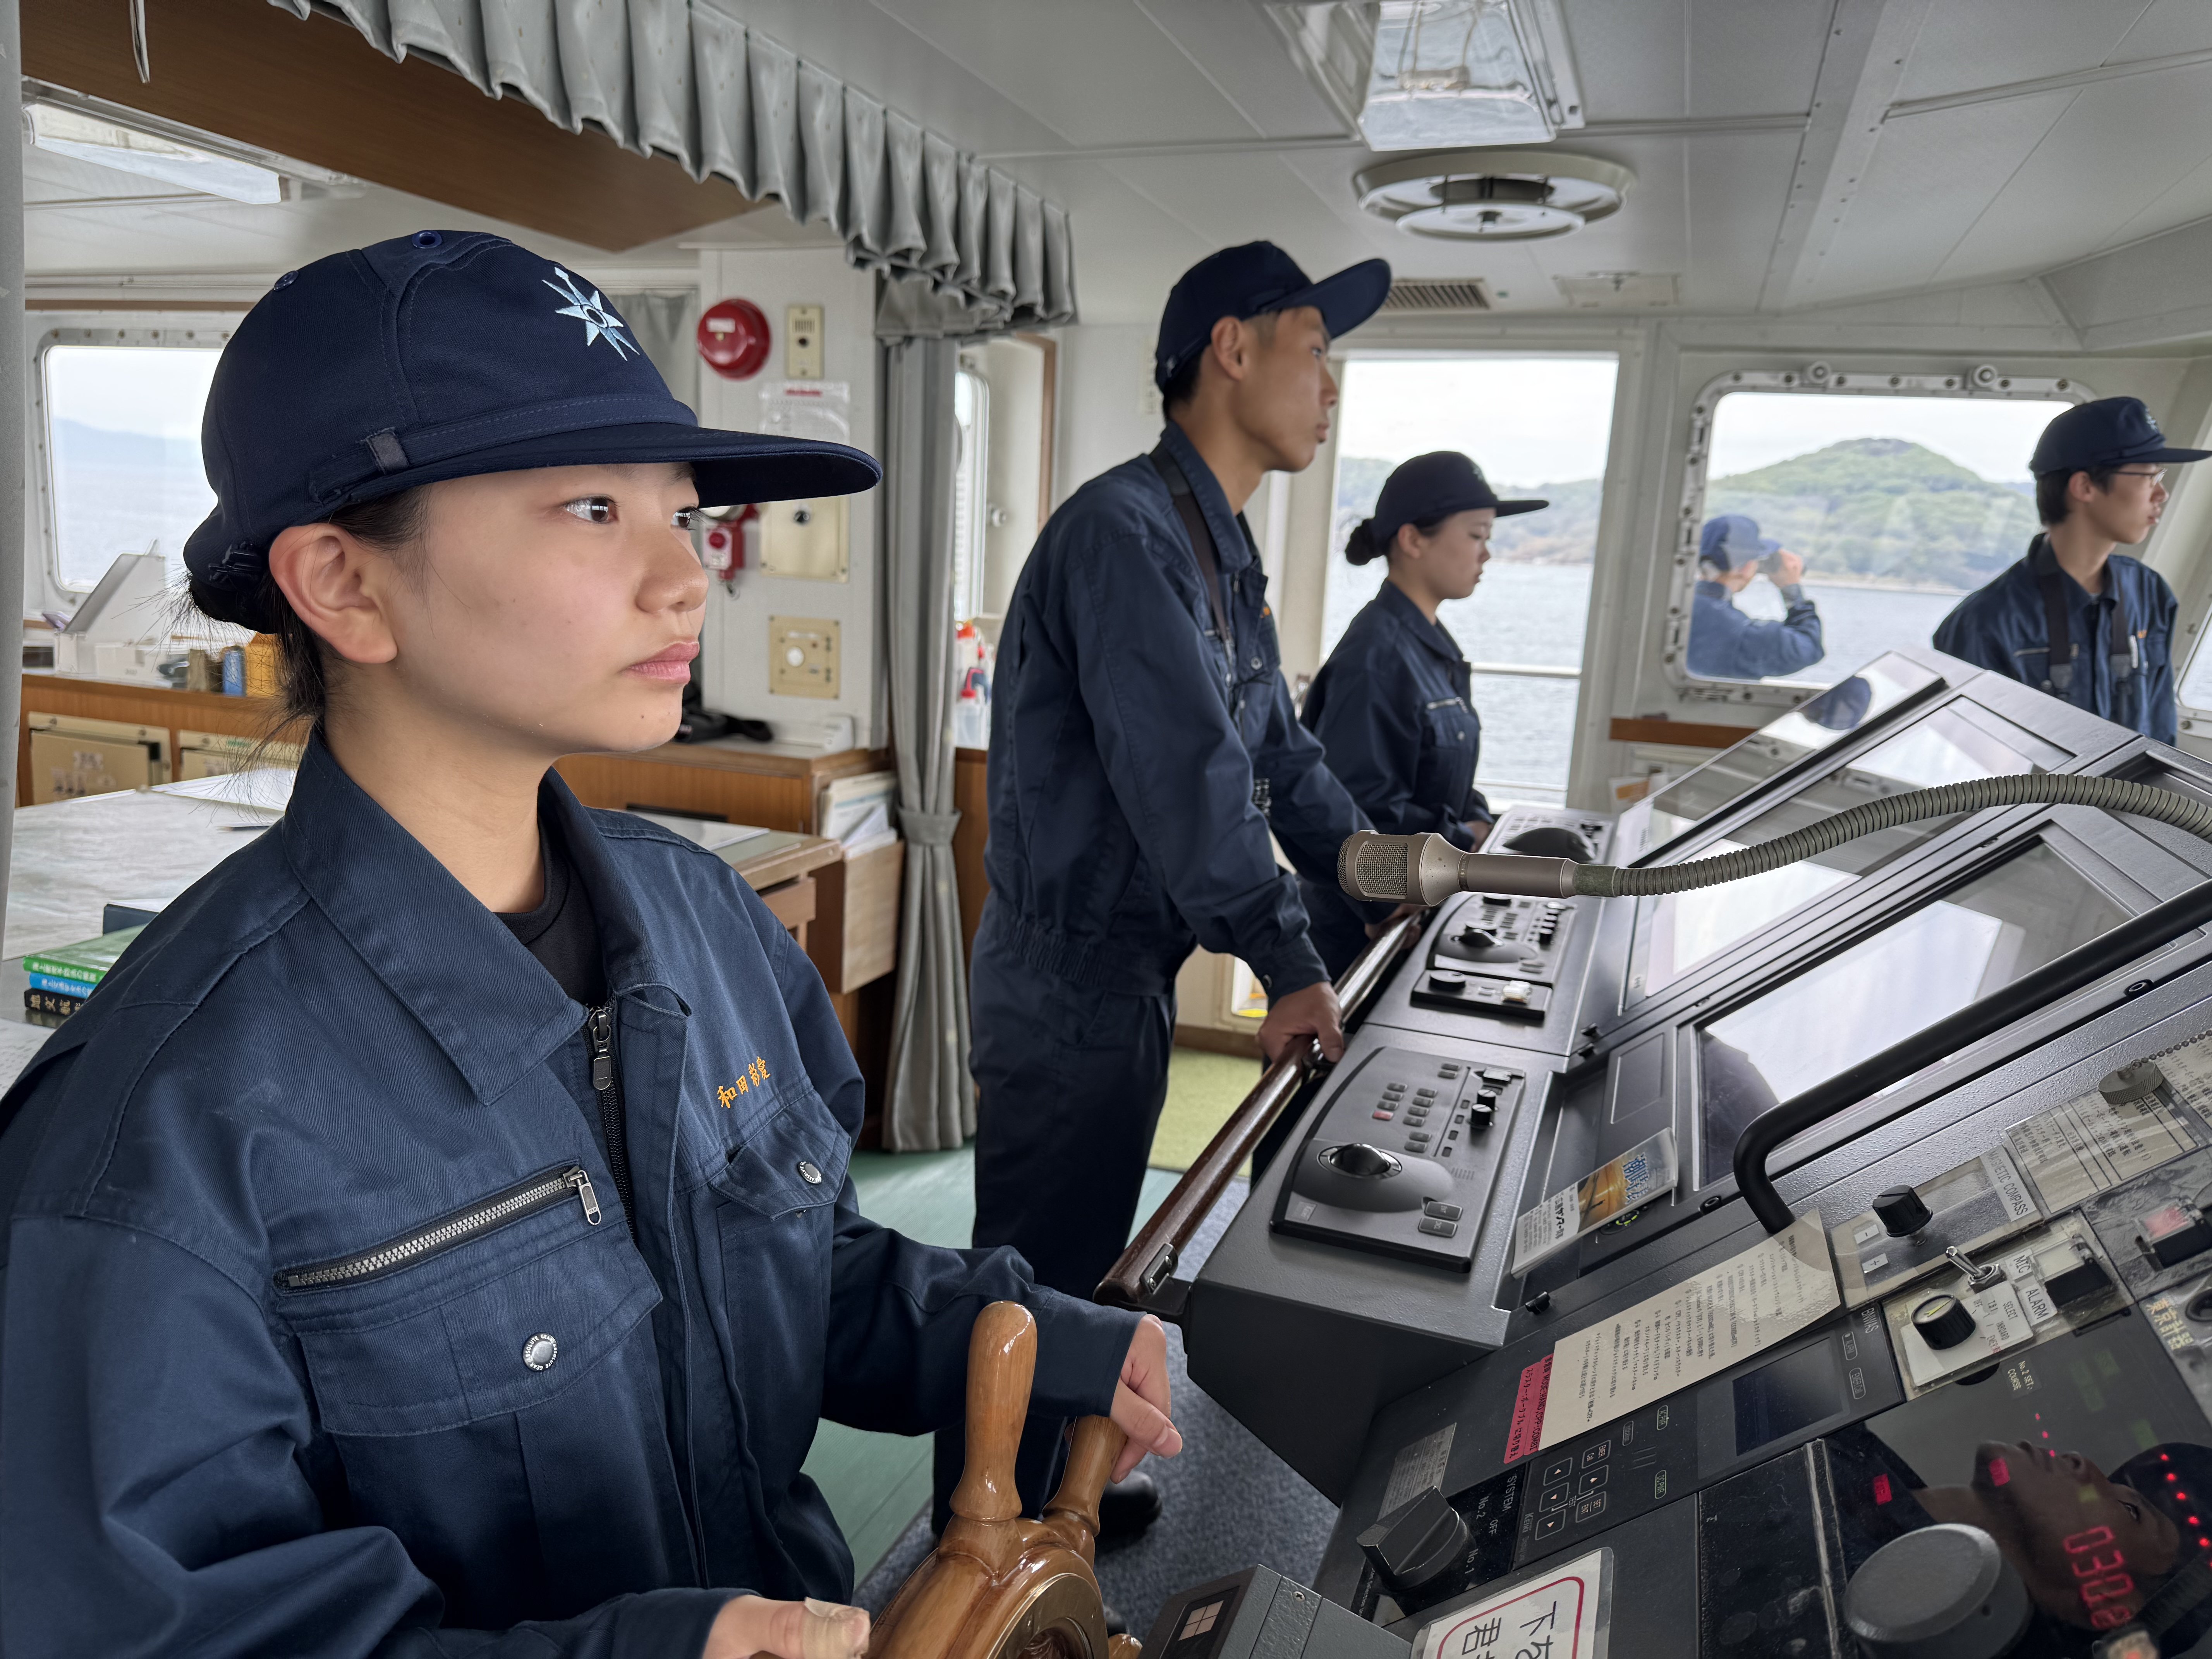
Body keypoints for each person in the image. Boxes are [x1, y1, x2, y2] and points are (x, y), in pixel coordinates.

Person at [0, 232, 1180, 1658]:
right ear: (345, 585)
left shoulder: (708, 923)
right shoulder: (158, 1136)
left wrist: (1035, 1336)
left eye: (682, 512)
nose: (686, 577)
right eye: (592, 507)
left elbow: (798, 1271)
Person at [952, 240, 1388, 1534]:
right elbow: (1190, 776)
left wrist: (1383, 880)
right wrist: (1289, 960)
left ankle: (1055, 1507)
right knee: (1029, 1287)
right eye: (1316, 349)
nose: (1331, 386)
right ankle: (982, 1546)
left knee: (1095, 1268)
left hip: (1130, 973)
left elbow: (1281, 759)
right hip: (1064, 982)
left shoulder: (1219, 551)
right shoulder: (1122, 536)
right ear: (1232, 349)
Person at [1297, 452, 1547, 976]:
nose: (1487, 553)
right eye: (1476, 535)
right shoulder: (1376, 657)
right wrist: (1467, 839)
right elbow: (1363, 811)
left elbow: (1442, 774)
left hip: (1420, 896)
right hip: (1361, 930)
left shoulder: (1429, 646)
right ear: (1413, 540)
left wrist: (1482, 822)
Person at [1934, 396, 2206, 742]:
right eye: (2149, 476)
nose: (2161, 494)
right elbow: (1976, 758)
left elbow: (2162, 735)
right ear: (2085, 487)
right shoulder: (1983, 624)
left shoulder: (2149, 592)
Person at [1688, 513, 1824, 680]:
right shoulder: (1744, 635)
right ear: (1745, 568)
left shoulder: (1674, 608)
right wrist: (1791, 590)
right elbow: (1808, 648)